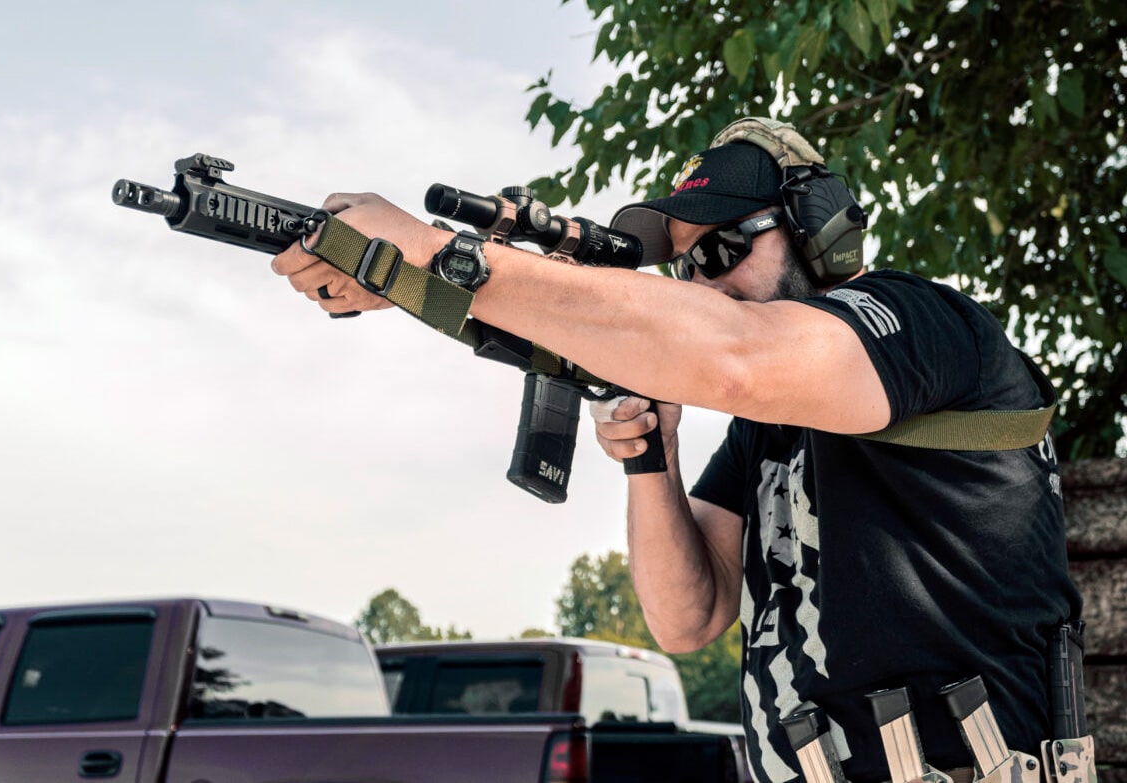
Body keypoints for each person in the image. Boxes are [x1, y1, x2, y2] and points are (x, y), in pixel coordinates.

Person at [270, 121, 1082, 783]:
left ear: (821, 231)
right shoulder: (769, 425)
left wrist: (434, 254)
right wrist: (650, 459)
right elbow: (688, 615)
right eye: (687, 264)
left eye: (726, 250)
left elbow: (737, 354)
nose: (702, 283)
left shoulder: (924, 322)